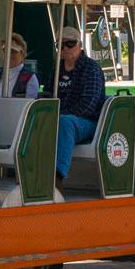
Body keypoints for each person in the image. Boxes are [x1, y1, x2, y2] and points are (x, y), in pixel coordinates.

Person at [54, 27, 106, 181]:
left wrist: (60, 114)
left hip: (89, 123)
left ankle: (57, 176)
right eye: (60, 45)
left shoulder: (92, 68)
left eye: (70, 44)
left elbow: (88, 106)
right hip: (60, 117)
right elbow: (49, 96)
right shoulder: (56, 69)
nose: (65, 48)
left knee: (65, 122)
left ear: (80, 44)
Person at [0, 33, 41, 98]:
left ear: (22, 54)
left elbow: (30, 104)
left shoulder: (29, 77)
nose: (9, 54)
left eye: (13, 51)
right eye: (5, 51)